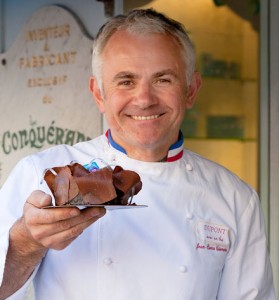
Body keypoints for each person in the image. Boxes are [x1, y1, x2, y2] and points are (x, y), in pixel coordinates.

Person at [0, 8, 275, 300]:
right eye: (126, 81)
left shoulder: (235, 199)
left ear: (191, 90)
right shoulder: (43, 175)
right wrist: (26, 244)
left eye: (163, 79)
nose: (144, 99)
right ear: (98, 95)